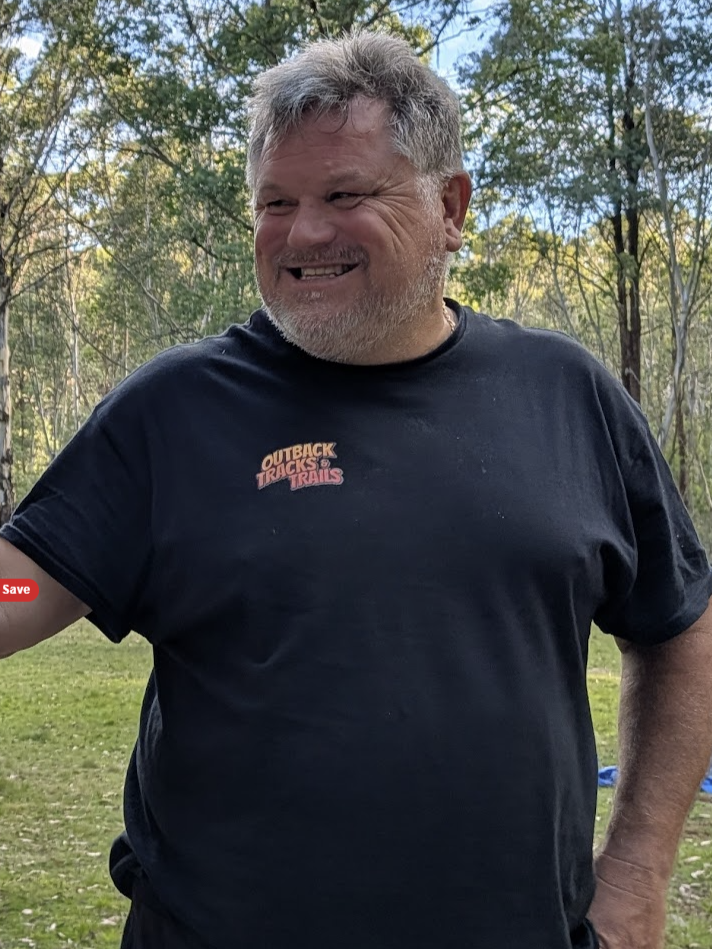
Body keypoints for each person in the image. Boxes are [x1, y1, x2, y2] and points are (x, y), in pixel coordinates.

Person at [1, 29, 711, 949]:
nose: (302, 232)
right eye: (275, 201)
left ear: (451, 206)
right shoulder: (174, 412)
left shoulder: (568, 395)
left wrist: (635, 875)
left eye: (344, 194)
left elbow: (681, 622)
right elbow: (20, 584)